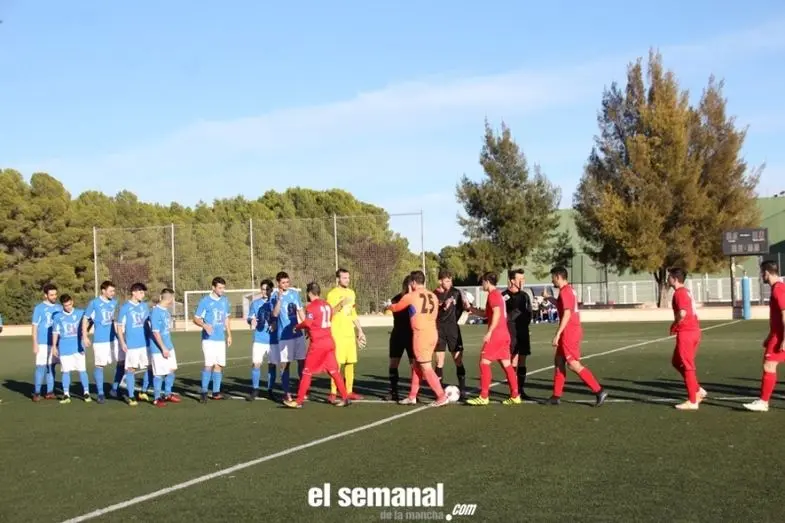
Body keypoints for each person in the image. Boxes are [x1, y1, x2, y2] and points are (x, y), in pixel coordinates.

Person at [283, 282, 350, 408]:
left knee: (307, 372)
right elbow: (326, 319)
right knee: (334, 371)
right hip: (329, 342)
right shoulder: (327, 305)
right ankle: (345, 397)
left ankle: (298, 401)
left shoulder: (312, 307)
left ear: (309, 293)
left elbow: (308, 323)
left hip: (318, 344)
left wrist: (297, 327)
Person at [387, 270, 448, 407]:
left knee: (426, 367)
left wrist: (388, 306)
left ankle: (441, 396)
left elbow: (396, 307)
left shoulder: (411, 296)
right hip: (432, 332)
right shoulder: (433, 295)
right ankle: (412, 396)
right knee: (416, 365)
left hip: (421, 335)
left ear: (413, 282)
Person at [548, 266, 607, 407]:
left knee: (573, 364)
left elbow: (567, 313)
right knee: (559, 361)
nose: (552, 280)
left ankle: (599, 391)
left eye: (553, 277)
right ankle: (556, 396)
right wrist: (550, 299)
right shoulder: (568, 290)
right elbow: (564, 306)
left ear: (558, 277)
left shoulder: (566, 292)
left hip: (569, 332)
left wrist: (558, 334)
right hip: (569, 330)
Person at [466, 272, 520, 406]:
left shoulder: (493, 295)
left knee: (484, 363)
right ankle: (515, 395)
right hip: (504, 334)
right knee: (507, 364)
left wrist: (490, 332)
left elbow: (496, 313)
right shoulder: (497, 295)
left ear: (487, 282)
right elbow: (486, 314)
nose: (482, 285)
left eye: (482, 282)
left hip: (496, 335)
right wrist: (471, 309)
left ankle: (484, 396)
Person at [744, 261, 785, 412]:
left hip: (780, 336)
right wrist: (770, 336)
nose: (761, 276)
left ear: (767, 272)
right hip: (776, 334)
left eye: (762, 273)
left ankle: (763, 402)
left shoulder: (778, 289)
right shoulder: (778, 288)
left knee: (769, 365)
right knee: (770, 365)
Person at [668, 268, 707, 410]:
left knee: (687, 365)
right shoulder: (685, 292)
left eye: (669, 277)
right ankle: (697, 389)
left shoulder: (680, 293)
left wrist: (675, 324)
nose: (667, 279)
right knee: (676, 361)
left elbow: (683, 313)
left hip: (687, 332)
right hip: (692, 331)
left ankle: (693, 401)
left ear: (674, 279)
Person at [326, 268, 366, 402]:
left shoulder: (351, 293)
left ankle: (349, 391)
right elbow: (329, 313)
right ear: (338, 279)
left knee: (350, 363)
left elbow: (353, 313)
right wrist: (340, 304)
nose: (347, 280)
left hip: (349, 334)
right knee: (337, 364)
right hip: (337, 334)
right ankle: (333, 392)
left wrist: (360, 330)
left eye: (348, 278)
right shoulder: (332, 294)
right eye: (344, 278)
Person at [193, 277, 232, 403]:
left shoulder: (225, 301)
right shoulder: (205, 301)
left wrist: (229, 334)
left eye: (223, 288)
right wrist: (204, 325)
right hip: (208, 339)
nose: (222, 290)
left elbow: (226, 318)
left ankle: (216, 392)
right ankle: (204, 392)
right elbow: (196, 318)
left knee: (219, 365)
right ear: (213, 288)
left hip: (220, 338)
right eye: (220, 288)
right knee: (208, 365)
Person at [82, 280, 120, 403]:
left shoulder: (115, 303)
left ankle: (114, 389)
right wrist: (85, 336)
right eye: (111, 291)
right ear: (103, 291)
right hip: (100, 340)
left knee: (122, 362)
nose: (113, 293)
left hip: (114, 339)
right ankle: (100, 393)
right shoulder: (94, 303)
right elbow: (86, 319)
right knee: (100, 365)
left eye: (114, 291)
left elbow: (116, 320)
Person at [433, 270, 469, 400]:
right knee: (439, 361)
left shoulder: (456, 293)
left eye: (451, 280)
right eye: (447, 281)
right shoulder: (433, 295)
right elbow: (432, 313)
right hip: (438, 330)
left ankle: (463, 390)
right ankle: (438, 392)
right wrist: (443, 306)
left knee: (458, 360)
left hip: (453, 329)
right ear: (440, 281)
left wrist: (467, 306)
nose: (450, 283)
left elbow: (464, 308)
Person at [270, 271, 303, 402]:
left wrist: (306, 326)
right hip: (284, 336)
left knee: (302, 362)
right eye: (283, 282)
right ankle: (286, 392)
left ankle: (302, 391)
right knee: (285, 364)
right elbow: (275, 314)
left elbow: (300, 311)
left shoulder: (295, 294)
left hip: (298, 334)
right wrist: (279, 299)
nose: (286, 284)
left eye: (287, 282)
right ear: (278, 283)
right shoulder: (274, 296)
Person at [51, 294, 90, 404]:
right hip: (64, 347)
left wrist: (85, 335)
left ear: (72, 302)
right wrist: (54, 346)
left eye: (69, 304)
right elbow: (55, 332)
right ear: (62, 305)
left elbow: (89, 322)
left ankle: (86, 392)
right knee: (65, 371)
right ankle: (66, 394)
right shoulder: (58, 317)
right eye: (65, 305)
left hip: (78, 347)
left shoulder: (81, 313)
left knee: (82, 370)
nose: (68, 307)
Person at [501, 269, 534, 399]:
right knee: (512, 360)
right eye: (520, 279)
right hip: (511, 331)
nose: (522, 281)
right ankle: (513, 390)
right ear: (512, 280)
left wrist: (526, 325)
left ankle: (521, 390)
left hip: (523, 331)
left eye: (523, 279)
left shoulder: (525, 295)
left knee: (522, 360)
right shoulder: (504, 296)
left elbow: (529, 312)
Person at [117, 283, 150, 406]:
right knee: (131, 369)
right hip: (132, 345)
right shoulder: (125, 308)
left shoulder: (144, 306)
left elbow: (148, 323)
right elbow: (119, 326)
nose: (143, 294)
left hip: (145, 343)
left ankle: (143, 391)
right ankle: (131, 396)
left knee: (151, 367)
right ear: (134, 292)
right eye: (141, 292)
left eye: (143, 292)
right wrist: (122, 342)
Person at [148, 288, 180, 407]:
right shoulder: (156, 312)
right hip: (158, 349)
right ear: (170, 299)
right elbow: (156, 332)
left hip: (168, 346)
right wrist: (163, 348)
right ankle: (157, 398)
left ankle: (167, 394)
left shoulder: (166, 311)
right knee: (159, 373)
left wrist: (168, 347)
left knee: (171, 369)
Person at [385, 275, 415, 402]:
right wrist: (388, 306)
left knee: (414, 365)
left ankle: (414, 392)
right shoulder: (396, 299)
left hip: (412, 335)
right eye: (410, 286)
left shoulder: (415, 299)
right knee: (393, 363)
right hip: (397, 335)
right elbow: (390, 309)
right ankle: (394, 391)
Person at [247, 279, 276, 401]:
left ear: (271, 290)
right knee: (256, 364)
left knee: (272, 365)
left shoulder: (275, 302)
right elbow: (249, 317)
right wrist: (251, 321)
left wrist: (275, 324)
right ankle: (255, 390)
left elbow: (280, 317)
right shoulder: (255, 304)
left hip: (273, 340)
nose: (265, 292)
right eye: (263, 289)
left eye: (267, 289)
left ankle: (270, 390)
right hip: (259, 338)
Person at [32, 283, 62, 401]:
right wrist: (35, 343)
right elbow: (34, 327)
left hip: (55, 343)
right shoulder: (39, 308)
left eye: (55, 294)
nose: (54, 296)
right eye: (51, 295)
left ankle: (50, 392)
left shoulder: (59, 308)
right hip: (42, 343)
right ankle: (37, 392)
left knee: (51, 367)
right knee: (40, 367)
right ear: (45, 295)